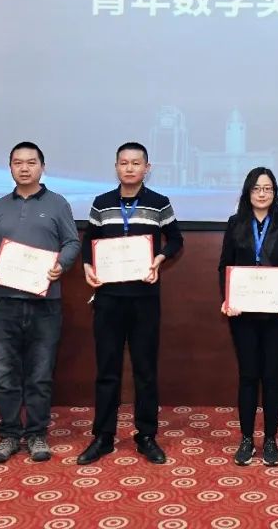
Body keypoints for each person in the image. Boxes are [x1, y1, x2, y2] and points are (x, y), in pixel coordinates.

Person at [77, 142, 183, 465]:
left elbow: (176, 239)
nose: (129, 168)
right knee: (107, 370)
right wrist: (87, 265)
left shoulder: (159, 203)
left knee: (145, 370)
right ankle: (103, 436)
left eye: (136, 163)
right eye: (124, 162)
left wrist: (160, 258)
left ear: (147, 168)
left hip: (144, 299)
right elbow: (89, 241)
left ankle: (146, 435)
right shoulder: (102, 203)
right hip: (108, 298)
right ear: (116, 167)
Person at [0, 141, 80, 464]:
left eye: (31, 162)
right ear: (10, 167)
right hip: (2, 303)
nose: (24, 168)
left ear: (42, 167)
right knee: (3, 374)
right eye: (17, 162)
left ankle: (36, 433)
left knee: (40, 374)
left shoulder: (58, 204)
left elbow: (72, 242)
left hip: (44, 304)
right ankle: (8, 434)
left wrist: (61, 264)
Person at [218, 167, 278, 466]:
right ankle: (246, 439)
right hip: (243, 313)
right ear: (248, 192)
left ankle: (270, 440)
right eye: (256, 188)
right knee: (248, 375)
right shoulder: (235, 223)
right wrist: (228, 298)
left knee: (271, 376)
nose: (262, 193)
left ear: (275, 192)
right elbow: (224, 266)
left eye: (268, 188)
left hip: (277, 313)